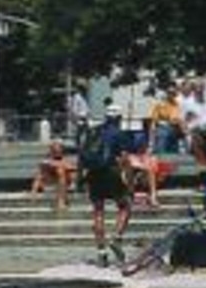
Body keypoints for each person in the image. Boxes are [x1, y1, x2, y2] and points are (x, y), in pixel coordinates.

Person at [83, 102, 133, 266]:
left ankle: (101, 252)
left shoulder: (93, 131)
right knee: (125, 206)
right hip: (110, 173)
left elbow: (82, 154)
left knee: (98, 211)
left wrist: (79, 180)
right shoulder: (119, 133)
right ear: (118, 118)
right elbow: (125, 159)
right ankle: (117, 239)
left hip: (93, 174)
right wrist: (129, 180)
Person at [31, 140, 78, 211]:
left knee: (65, 172)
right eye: (55, 150)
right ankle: (60, 201)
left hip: (65, 181)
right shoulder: (46, 160)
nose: (57, 152)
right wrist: (34, 192)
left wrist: (65, 166)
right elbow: (40, 173)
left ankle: (61, 200)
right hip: (49, 182)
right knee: (59, 171)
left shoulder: (67, 159)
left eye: (59, 150)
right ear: (51, 151)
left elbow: (74, 168)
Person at [146, 85, 183, 154]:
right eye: (170, 93)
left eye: (173, 93)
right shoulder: (160, 104)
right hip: (163, 128)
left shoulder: (176, 104)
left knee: (174, 151)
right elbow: (154, 120)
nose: (171, 95)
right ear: (166, 94)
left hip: (175, 129)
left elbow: (178, 118)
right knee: (162, 149)